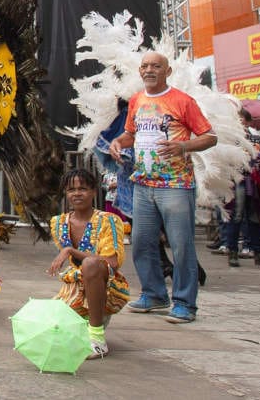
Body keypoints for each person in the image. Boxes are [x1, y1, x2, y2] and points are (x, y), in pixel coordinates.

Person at [108, 51, 217, 324]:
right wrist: (119, 142)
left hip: (176, 185)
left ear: (167, 71)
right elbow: (131, 133)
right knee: (142, 244)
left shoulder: (183, 101)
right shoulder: (137, 100)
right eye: (144, 66)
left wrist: (184, 146)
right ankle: (154, 294)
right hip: (143, 184)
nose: (149, 70)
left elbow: (209, 136)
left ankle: (184, 303)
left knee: (181, 246)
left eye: (156, 66)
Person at [48, 168, 130, 360]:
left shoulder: (109, 220)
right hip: (75, 289)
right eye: (71, 190)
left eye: (83, 188)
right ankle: (84, 324)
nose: (77, 193)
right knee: (50, 330)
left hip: (106, 288)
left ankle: (97, 337)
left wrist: (71, 251)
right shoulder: (58, 223)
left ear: (94, 191)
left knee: (91, 264)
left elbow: (112, 263)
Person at [220, 108, 260, 269]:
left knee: (255, 217)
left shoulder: (257, 139)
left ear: (248, 122)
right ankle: (232, 252)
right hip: (236, 180)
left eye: (242, 120)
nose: (239, 123)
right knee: (236, 216)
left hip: (255, 181)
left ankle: (258, 252)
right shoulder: (227, 141)